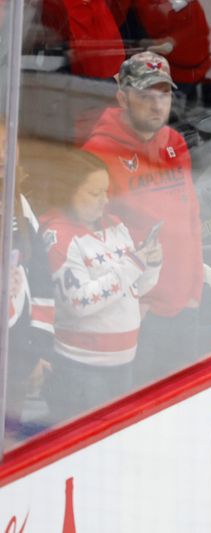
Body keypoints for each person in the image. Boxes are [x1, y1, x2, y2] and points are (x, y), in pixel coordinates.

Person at [82, 52, 205, 386]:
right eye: (145, 95)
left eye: (163, 94)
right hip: (138, 316)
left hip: (183, 308)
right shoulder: (99, 152)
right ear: (123, 97)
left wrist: (194, 289)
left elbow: (190, 218)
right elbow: (92, 240)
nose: (156, 105)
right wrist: (134, 300)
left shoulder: (175, 143)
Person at [38, 150, 162, 422]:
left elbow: (136, 287)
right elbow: (79, 302)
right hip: (82, 369)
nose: (105, 201)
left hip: (124, 362)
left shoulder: (116, 226)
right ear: (69, 191)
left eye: (106, 192)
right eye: (95, 194)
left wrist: (152, 263)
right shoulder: (58, 236)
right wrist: (133, 264)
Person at [1, 118, 55, 444]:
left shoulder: (19, 203)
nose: (5, 155)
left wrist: (37, 350)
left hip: (17, 362)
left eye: (10, 143)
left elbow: (40, 278)